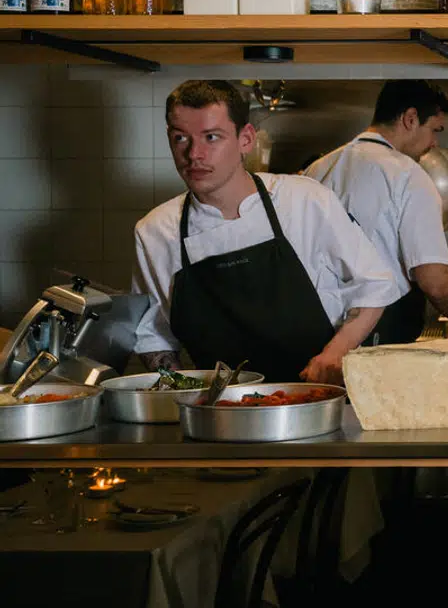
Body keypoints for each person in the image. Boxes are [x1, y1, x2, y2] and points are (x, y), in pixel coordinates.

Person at [133, 80, 407, 383]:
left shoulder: (304, 201)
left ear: (246, 139)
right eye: (180, 139)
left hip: (318, 397)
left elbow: (374, 286)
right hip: (222, 410)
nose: (194, 154)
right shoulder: (155, 232)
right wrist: (182, 390)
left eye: (212, 137)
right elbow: (154, 334)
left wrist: (334, 354)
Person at [304, 80, 448, 344]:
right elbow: (436, 282)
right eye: (434, 130)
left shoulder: (319, 168)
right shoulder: (409, 176)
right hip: (379, 334)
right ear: (411, 118)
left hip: (318, 334)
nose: (434, 142)